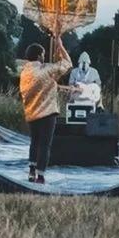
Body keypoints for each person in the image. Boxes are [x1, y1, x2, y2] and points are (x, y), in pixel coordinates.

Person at [19, 36, 72, 183]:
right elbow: (67, 64)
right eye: (43, 54)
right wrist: (60, 47)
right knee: (44, 145)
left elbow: (42, 86)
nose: (44, 56)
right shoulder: (46, 69)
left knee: (34, 142)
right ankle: (40, 175)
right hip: (47, 113)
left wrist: (56, 86)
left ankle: (31, 172)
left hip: (31, 113)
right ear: (38, 56)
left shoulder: (24, 72)